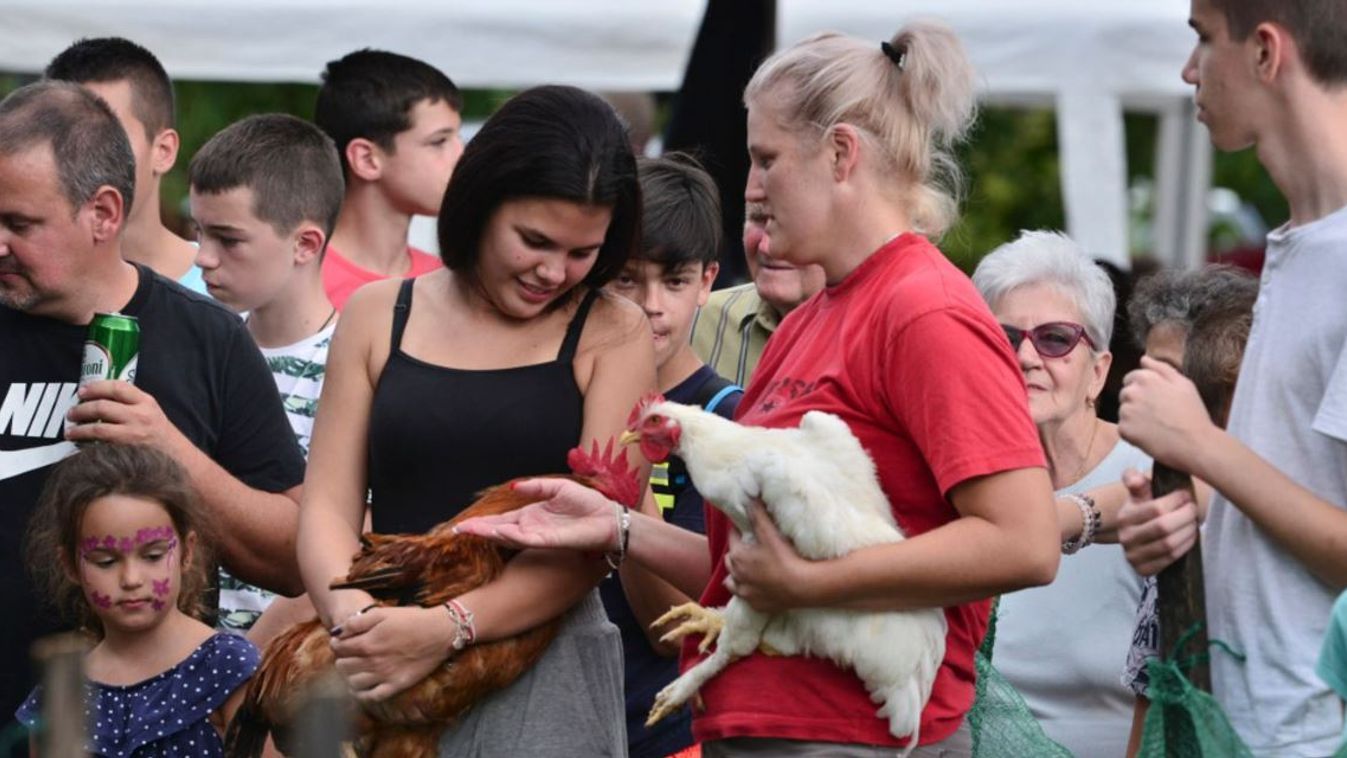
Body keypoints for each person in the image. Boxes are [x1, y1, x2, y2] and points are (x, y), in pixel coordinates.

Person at [459, 23, 1062, 755]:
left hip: (860, 735)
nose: (750, 187)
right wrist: (619, 529)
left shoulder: (923, 307)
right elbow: (754, 570)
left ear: (841, 154)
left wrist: (810, 585)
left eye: (766, 158)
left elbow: (1025, 543)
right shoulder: (814, 318)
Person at [297, 85, 651, 755]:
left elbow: (597, 537)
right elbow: (325, 507)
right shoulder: (377, 313)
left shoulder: (614, 331)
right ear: (481, 203)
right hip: (377, 647)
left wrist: (449, 628)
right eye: (534, 240)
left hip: (543, 667)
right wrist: (355, 621)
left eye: (582, 253)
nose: (554, 271)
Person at [0, 81, 304, 726]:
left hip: (154, 731)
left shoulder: (207, 337)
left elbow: (292, 558)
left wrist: (167, 452)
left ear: (104, 213)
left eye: (18, 224)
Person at [1117, 0, 1347, 752]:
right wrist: (1194, 515)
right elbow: (1305, 488)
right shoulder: (1299, 245)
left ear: (1264, 52)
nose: (1188, 72)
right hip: (1238, 722)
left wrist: (1197, 447)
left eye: (1202, 39)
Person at [971, 230, 1150, 757]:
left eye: (1054, 339)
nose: (1026, 356)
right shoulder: (960, 484)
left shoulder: (1149, 473)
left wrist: (1075, 516)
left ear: (1098, 373)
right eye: (1004, 338)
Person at [603, 152, 743, 758]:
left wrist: (626, 483)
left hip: (670, 736)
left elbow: (674, 629)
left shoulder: (726, 420)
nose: (650, 303)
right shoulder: (564, 393)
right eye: (627, 278)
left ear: (709, 280)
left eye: (675, 280)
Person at [188, 113, 345, 635]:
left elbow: (355, 549)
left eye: (228, 239)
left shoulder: (353, 366)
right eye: (199, 232)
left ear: (305, 244)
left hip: (292, 673)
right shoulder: (197, 347)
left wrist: (248, 665)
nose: (203, 258)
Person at [16, 443, 259, 756]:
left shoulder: (228, 668)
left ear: (186, 551)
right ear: (71, 566)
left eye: (153, 556)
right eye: (105, 561)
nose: (131, 579)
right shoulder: (61, 695)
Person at [44, 37, 206, 293]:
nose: (82, 155)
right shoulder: (25, 287)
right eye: (62, 136)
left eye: (109, 135)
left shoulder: (232, 293)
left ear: (163, 151)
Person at [314, 49, 463, 310]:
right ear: (367, 160)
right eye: (439, 142)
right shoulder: (298, 282)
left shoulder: (449, 284)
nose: (461, 154)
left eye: (457, 138)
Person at [690, 210, 824, 386]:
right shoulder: (694, 322)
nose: (767, 245)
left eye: (795, 222)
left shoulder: (869, 342)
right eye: (759, 219)